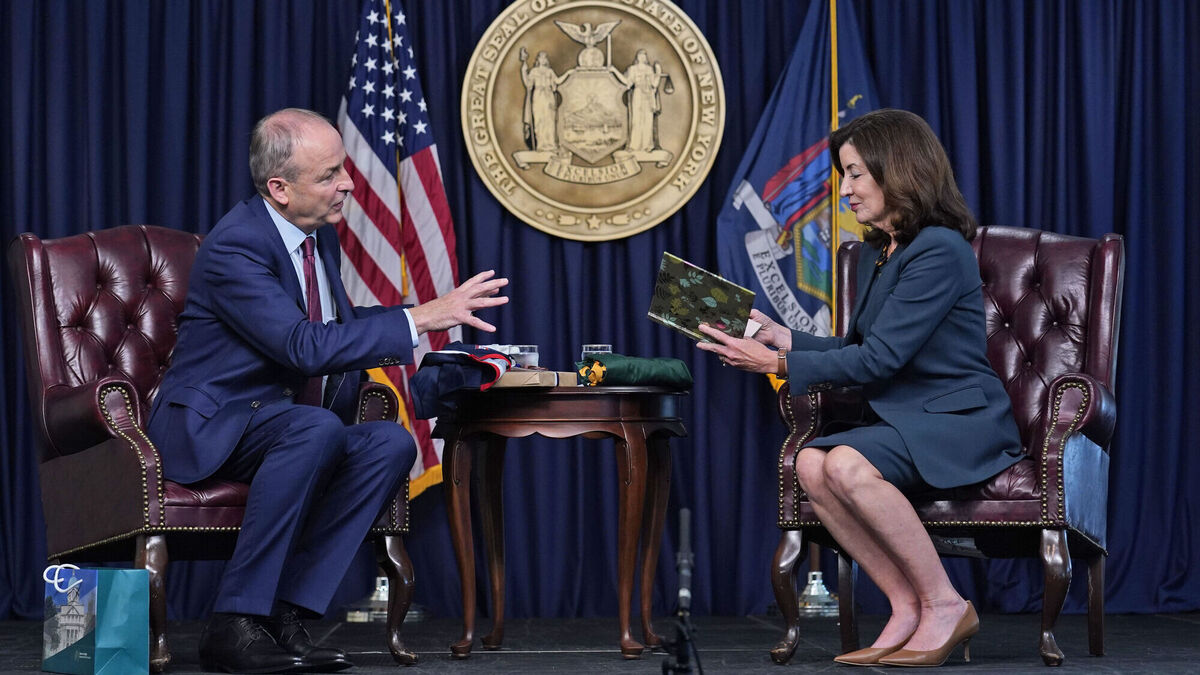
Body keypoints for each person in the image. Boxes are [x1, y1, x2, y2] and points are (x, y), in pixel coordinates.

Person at [146, 108, 508, 673]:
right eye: (329, 174)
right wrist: (421, 317)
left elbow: (336, 323)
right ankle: (234, 623)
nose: (348, 184)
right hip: (214, 427)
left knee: (389, 443)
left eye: (343, 168)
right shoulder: (236, 247)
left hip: (281, 426)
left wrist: (430, 320)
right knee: (315, 427)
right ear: (279, 189)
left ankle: (284, 612)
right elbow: (301, 345)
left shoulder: (318, 240)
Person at [697, 109, 1022, 668]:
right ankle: (905, 606)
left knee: (844, 463)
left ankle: (946, 604)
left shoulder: (939, 248)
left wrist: (775, 362)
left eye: (854, 174)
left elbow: (879, 360)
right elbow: (859, 344)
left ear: (898, 170)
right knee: (810, 464)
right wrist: (784, 337)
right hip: (907, 419)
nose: (843, 190)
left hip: (959, 422)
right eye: (843, 175)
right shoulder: (882, 251)